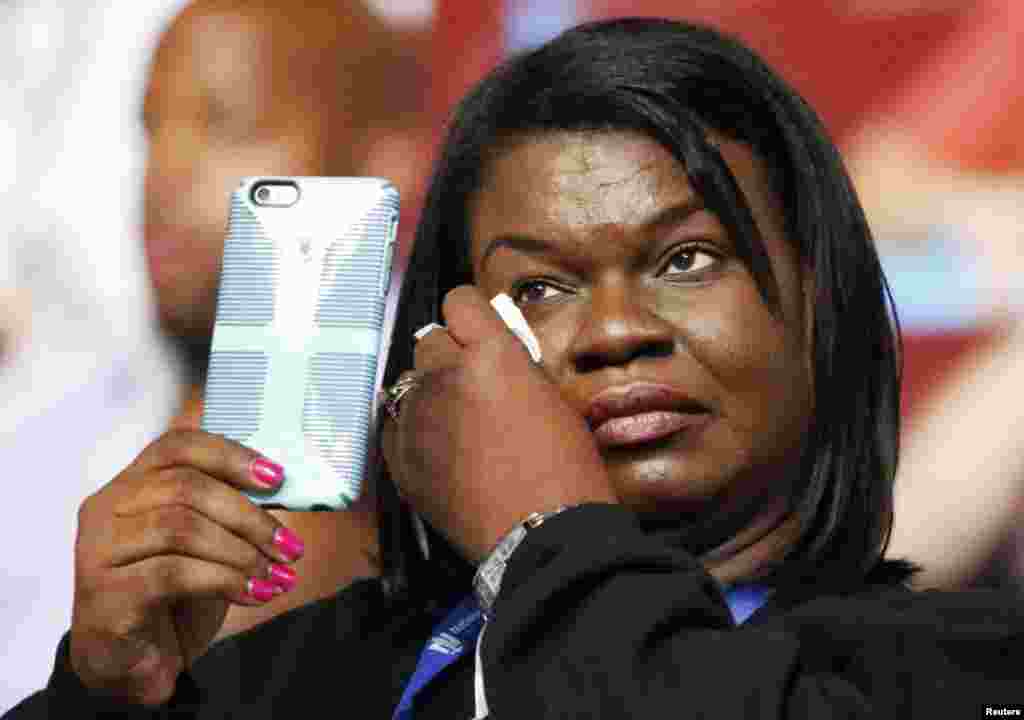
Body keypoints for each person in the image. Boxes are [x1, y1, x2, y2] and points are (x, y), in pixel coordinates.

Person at [8, 17, 1024, 718]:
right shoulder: (323, 673)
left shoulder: (956, 662)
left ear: (819, 301)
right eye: (540, 288)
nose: (614, 330)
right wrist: (108, 693)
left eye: (684, 260)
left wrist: (543, 537)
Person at [139, 0, 430, 638]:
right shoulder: (70, 397)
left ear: (392, 159)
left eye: (226, 125)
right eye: (152, 129)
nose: (166, 173)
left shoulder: (417, 421)